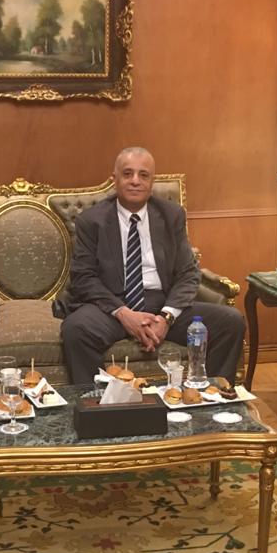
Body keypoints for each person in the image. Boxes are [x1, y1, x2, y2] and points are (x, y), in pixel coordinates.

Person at [61, 146, 246, 385]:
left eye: (143, 175)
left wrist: (166, 318)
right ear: (114, 179)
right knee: (76, 329)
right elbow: (84, 277)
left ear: (152, 182)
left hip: (162, 302)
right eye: (127, 174)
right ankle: (94, 401)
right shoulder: (92, 220)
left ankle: (210, 395)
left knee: (230, 322)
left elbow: (188, 272)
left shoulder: (171, 215)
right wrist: (124, 314)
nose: (135, 181)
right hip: (111, 306)